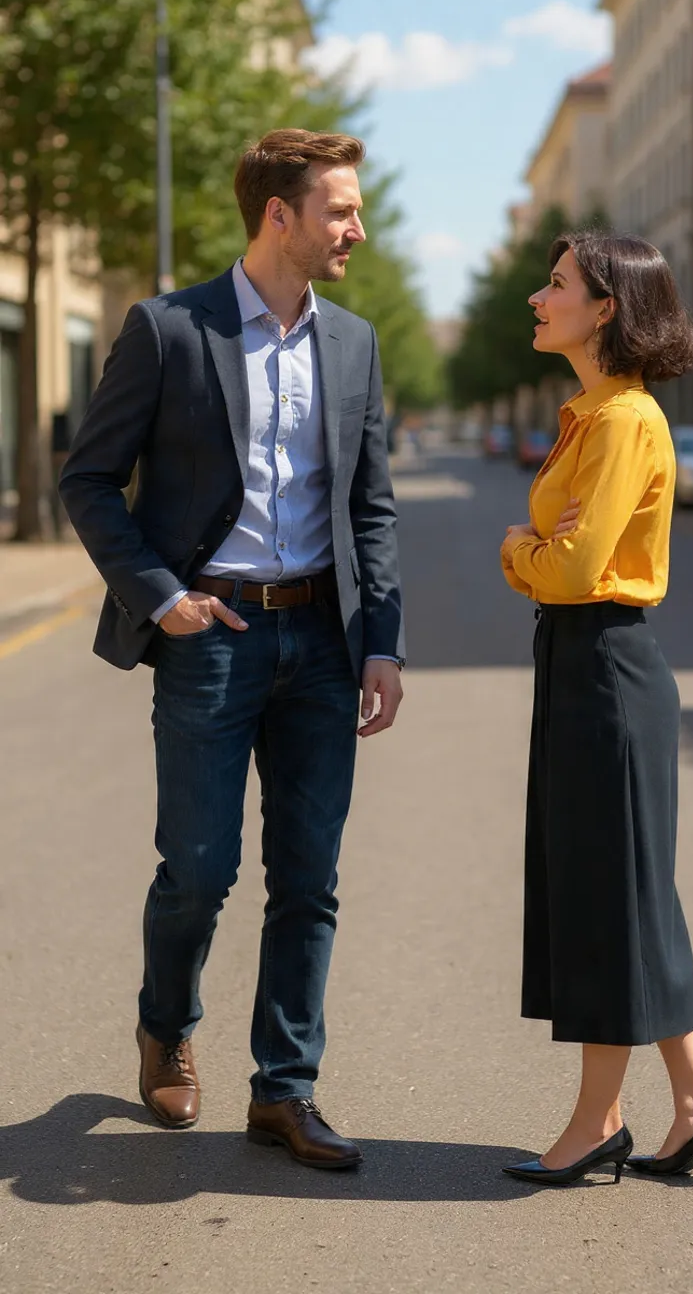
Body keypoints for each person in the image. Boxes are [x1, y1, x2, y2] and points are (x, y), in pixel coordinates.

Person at [60, 128, 405, 1170]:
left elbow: (371, 506)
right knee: (199, 869)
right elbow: (89, 479)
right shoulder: (169, 329)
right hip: (210, 635)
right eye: (340, 210)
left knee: (309, 877)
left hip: (324, 641)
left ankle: (285, 1090)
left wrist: (382, 642)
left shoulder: (354, 343)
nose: (356, 229)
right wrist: (161, 596)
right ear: (279, 216)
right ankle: (166, 1025)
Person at [499, 231, 693, 1187]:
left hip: (604, 663)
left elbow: (572, 569)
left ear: (606, 308)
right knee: (633, 890)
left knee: (610, 893)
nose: (536, 296)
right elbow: (563, 564)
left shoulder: (624, 422)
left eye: (556, 283)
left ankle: (597, 1122)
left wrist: (516, 550)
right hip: (583, 662)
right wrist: (543, 553)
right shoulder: (588, 416)